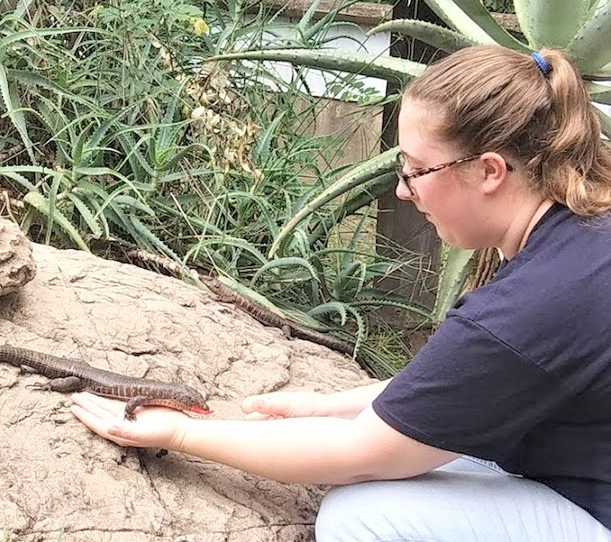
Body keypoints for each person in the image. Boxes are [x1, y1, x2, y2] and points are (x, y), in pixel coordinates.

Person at [71, 45, 611, 541]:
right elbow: (468, 385)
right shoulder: (583, 232)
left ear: (490, 170)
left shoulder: (530, 306)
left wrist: (180, 434)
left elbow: (357, 454)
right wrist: (327, 405)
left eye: (418, 169)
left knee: (364, 517)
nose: (403, 189)